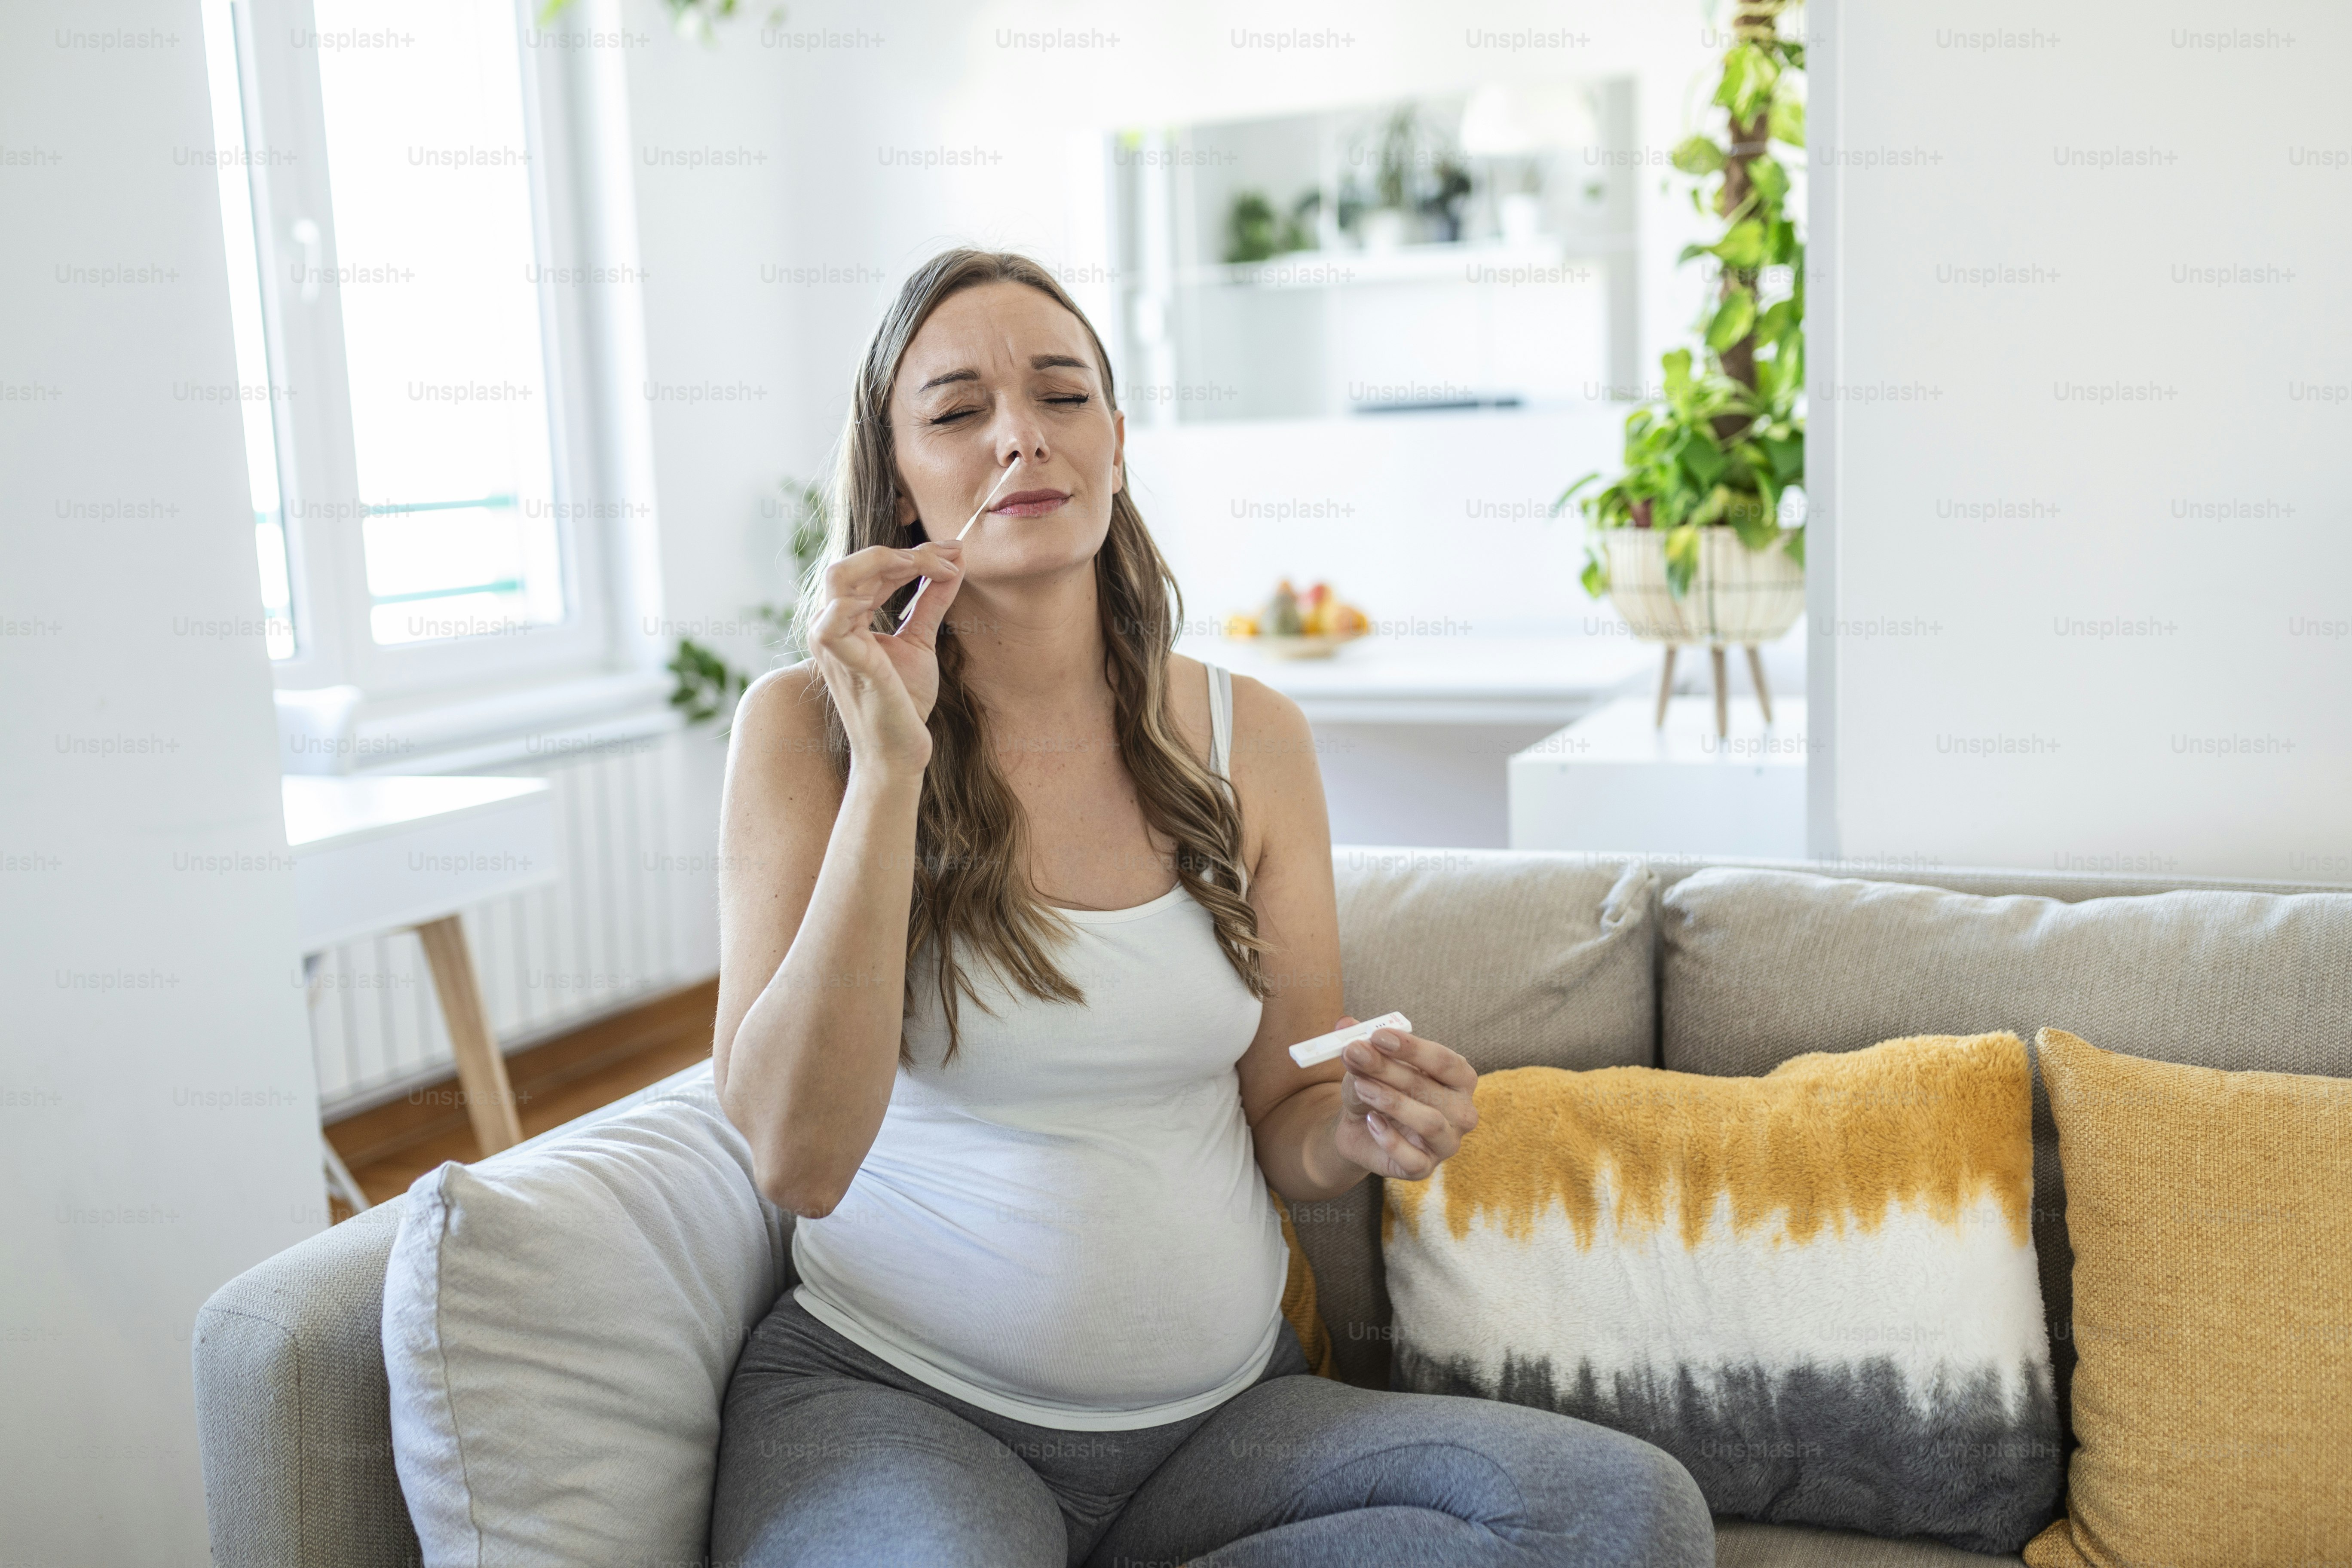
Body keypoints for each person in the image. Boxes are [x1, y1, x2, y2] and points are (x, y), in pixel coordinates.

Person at [709, 248, 1709, 1567]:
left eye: (1063, 397)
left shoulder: (1253, 736)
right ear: (900, 479)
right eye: (958, 412)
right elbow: (798, 1157)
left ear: (1114, 446)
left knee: (1626, 1514)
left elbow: (1283, 1112)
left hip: (1221, 1435)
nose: (1022, 435)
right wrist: (894, 762)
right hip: (898, 1411)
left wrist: (1353, 1127)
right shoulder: (807, 731)